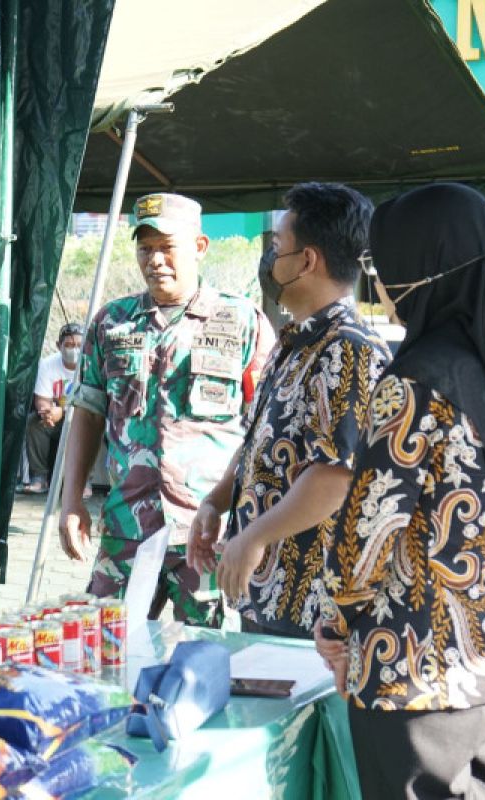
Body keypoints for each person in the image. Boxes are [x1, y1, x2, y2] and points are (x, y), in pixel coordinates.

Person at [313, 183, 485, 800]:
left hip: (421, 672)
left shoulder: (417, 379)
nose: (382, 284)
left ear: (423, 267)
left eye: (384, 266)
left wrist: (336, 622)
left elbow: (368, 530)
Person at [59, 192, 272, 627]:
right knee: (103, 655)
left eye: (166, 248)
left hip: (206, 532)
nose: (155, 260)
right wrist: (71, 500)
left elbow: (266, 430)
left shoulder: (242, 320)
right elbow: (88, 411)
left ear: (199, 247)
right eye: (145, 248)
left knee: (213, 661)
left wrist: (256, 528)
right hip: (126, 529)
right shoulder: (111, 322)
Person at [187, 183, 390, 639]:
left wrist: (254, 536)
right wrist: (214, 502)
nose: (270, 258)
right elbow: (259, 442)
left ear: (307, 260)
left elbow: (335, 477)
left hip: (314, 610)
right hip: (267, 597)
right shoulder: (294, 344)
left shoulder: (348, 350)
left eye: (277, 246)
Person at [22, 322, 83, 494]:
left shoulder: (90, 365)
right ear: (59, 346)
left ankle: (82, 483)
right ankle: (39, 478)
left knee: (88, 427)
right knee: (34, 423)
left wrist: (62, 411)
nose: (74, 349)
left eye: (79, 345)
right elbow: (41, 399)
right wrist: (46, 413)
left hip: (80, 416)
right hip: (53, 417)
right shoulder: (48, 364)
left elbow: (91, 402)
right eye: (69, 345)